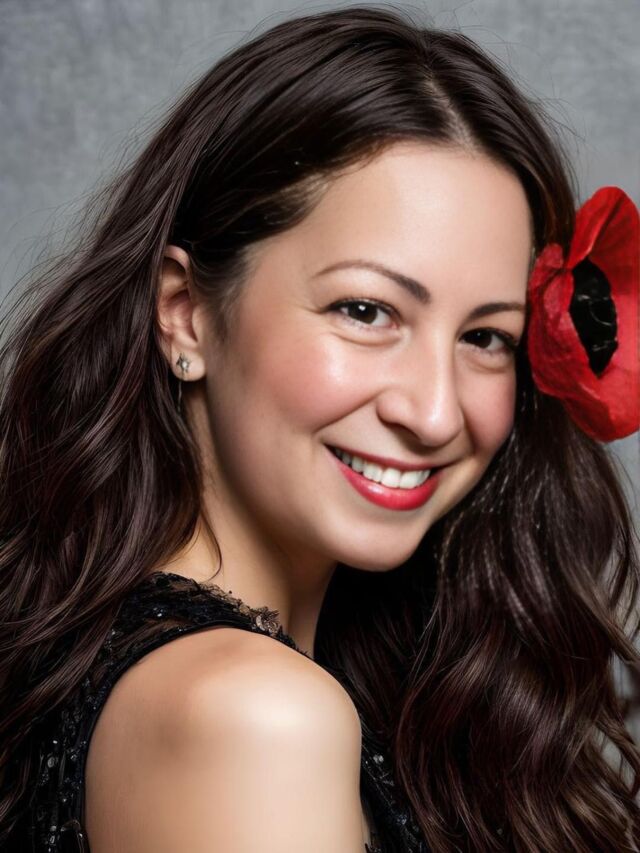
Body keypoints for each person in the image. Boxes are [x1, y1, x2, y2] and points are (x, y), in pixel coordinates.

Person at [0, 6, 638, 852]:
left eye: (486, 337)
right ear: (185, 312)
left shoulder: (167, 666)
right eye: (366, 311)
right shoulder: (254, 718)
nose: (435, 412)